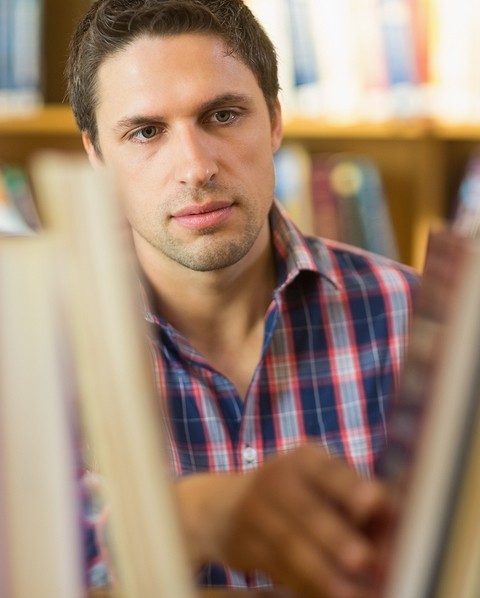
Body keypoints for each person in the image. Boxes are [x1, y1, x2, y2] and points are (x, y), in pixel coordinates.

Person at [66, 1, 419, 596]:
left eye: (223, 115)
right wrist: (189, 519)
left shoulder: (417, 320)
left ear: (275, 121)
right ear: (97, 155)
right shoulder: (28, 351)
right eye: (146, 132)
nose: (196, 167)